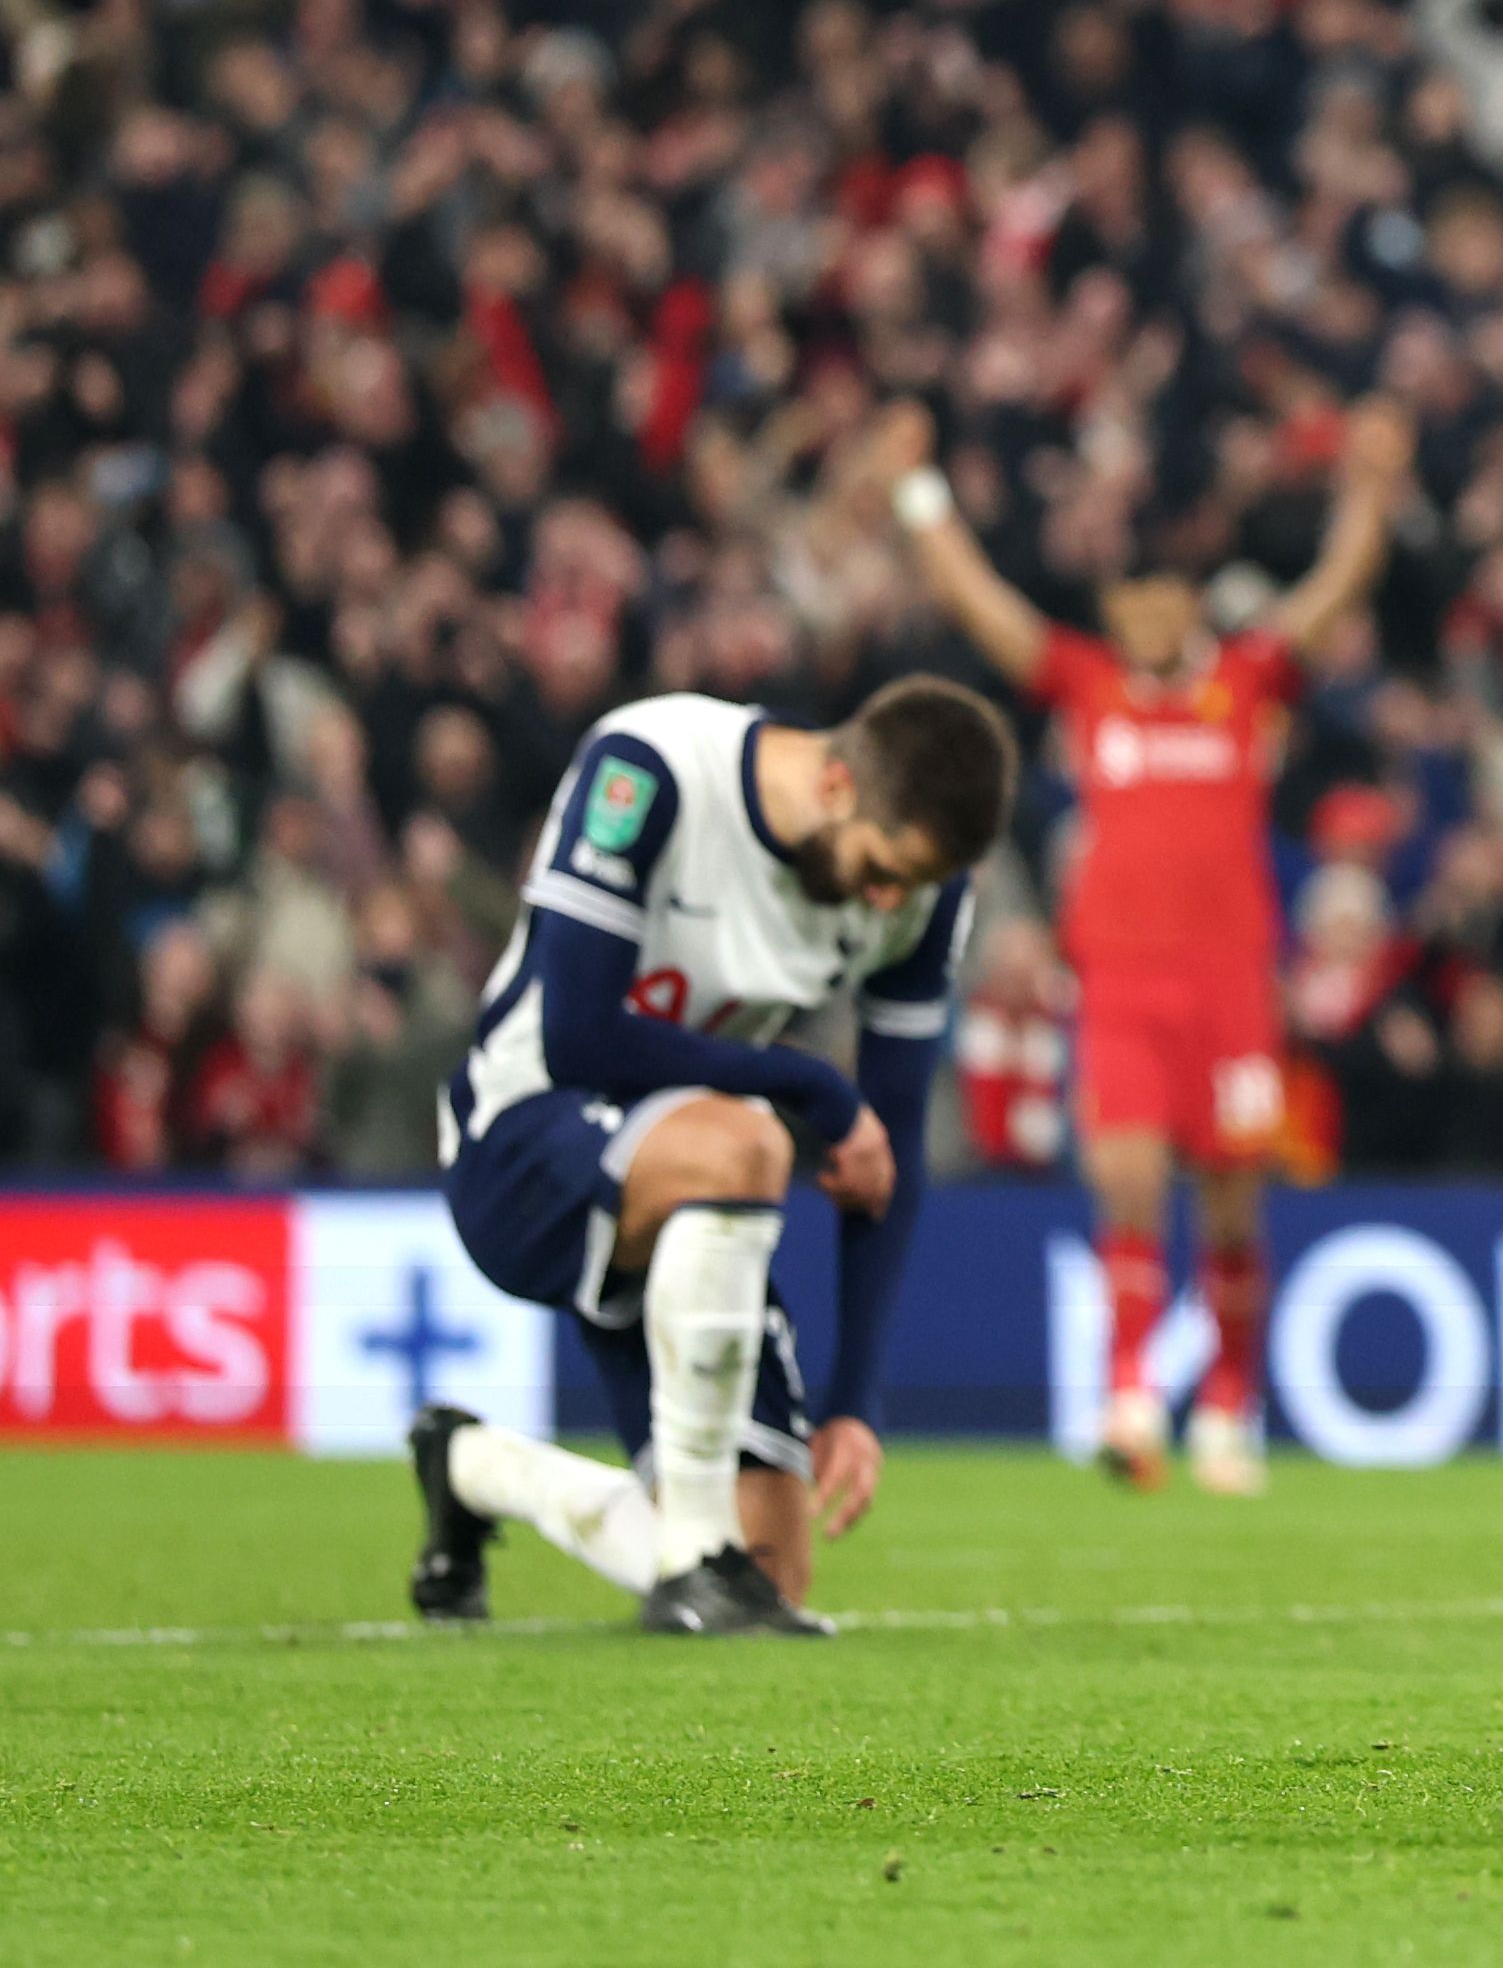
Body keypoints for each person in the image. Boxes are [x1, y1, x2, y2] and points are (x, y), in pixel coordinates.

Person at [873, 395, 1409, 1493]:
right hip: (1119, 982)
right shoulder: (1088, 683)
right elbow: (983, 606)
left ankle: (1227, 1405)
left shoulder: (1245, 680)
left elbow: (1338, 586)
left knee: (1231, 1199)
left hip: (1232, 987)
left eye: (1160, 598)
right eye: (1129, 600)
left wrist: (1369, 486)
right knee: (1123, 1179)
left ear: (1189, 606)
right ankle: (1130, 1399)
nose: (1144, 616)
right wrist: (916, 493)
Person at [404, 676, 1016, 1636]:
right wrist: (812, 1084)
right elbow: (577, 1035)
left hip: (701, 1197)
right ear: (838, 784)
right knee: (745, 1137)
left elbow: (882, 1154)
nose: (887, 899)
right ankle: (693, 1555)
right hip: (522, 1139)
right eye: (881, 868)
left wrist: (855, 1401)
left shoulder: (922, 902)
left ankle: (472, 1470)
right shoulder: (653, 766)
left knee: (770, 1577)